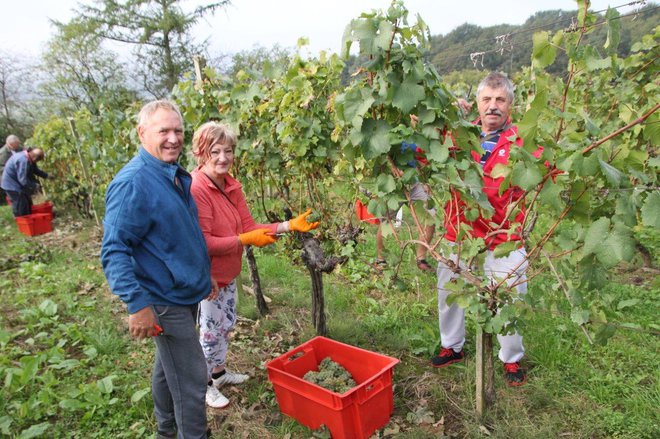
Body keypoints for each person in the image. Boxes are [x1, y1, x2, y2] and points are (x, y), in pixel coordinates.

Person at [100, 100, 215, 439]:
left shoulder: (174, 176)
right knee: (193, 377)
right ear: (142, 133)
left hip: (183, 290)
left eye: (178, 130)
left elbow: (181, 235)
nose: (173, 138)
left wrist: (201, 273)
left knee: (170, 370)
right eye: (163, 130)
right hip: (163, 299)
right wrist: (137, 305)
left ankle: (167, 430)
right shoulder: (134, 182)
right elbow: (114, 249)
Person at [189, 121, 320, 409]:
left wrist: (288, 225)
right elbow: (205, 242)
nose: (223, 158)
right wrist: (243, 239)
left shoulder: (231, 185)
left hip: (227, 273)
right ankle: (204, 385)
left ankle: (219, 374)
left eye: (228, 151)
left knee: (224, 326)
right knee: (209, 333)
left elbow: (249, 226)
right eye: (215, 151)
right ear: (201, 153)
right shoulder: (197, 188)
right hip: (206, 277)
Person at [431, 72, 535, 387]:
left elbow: (547, 171)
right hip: (459, 226)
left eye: (500, 99)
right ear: (478, 103)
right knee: (448, 289)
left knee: (510, 294)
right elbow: (424, 152)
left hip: (503, 231)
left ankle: (511, 360)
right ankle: (452, 346)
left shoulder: (523, 140)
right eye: (487, 99)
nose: (493, 106)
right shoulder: (459, 134)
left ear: (510, 105)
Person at [1, 147, 49, 217]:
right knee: (21, 205)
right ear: (35, 158)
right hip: (11, 185)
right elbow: (23, 180)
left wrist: (46, 176)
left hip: (16, 182)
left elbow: (35, 170)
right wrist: (35, 186)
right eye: (37, 161)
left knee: (27, 203)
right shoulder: (23, 161)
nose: (36, 162)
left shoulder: (28, 156)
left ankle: (29, 222)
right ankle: (22, 222)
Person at [0, 135, 23, 205]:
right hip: (9, 180)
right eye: (17, 144)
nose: (18, 146)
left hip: (18, 178)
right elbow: (1, 168)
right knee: (16, 201)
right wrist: (13, 168)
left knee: (23, 199)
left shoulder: (17, 148)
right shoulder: (3, 153)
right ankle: (18, 214)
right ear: (10, 144)